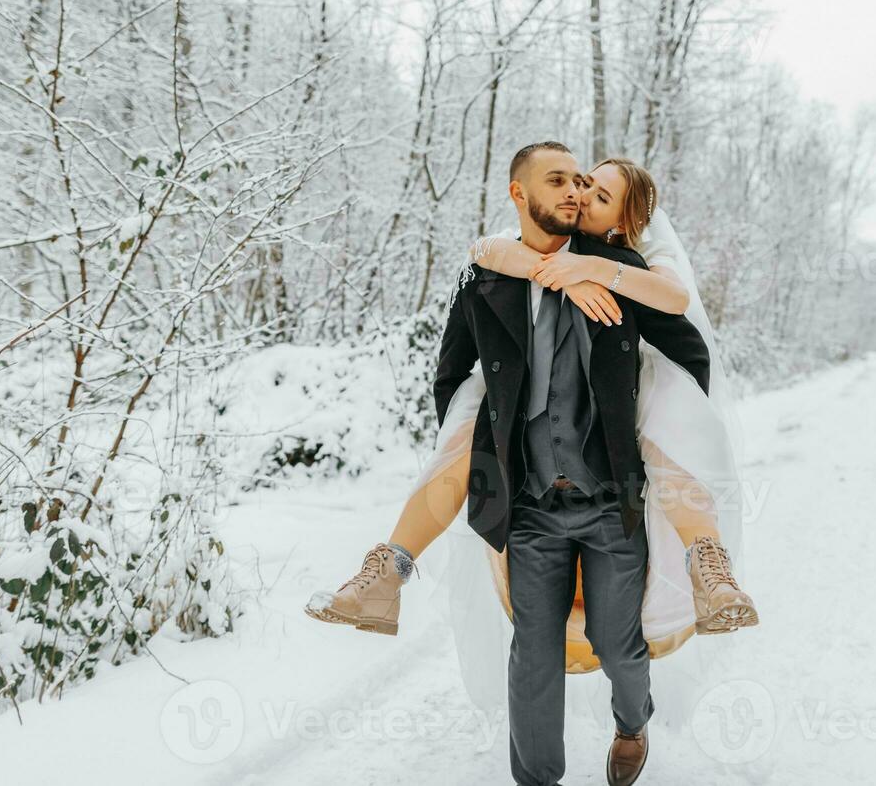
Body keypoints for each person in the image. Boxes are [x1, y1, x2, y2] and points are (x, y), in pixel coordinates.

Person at [306, 142, 756, 786]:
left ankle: (634, 721)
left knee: (618, 646)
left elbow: (689, 352)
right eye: (562, 182)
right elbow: (451, 373)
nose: (575, 193)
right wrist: (486, 449)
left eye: (586, 186)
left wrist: (639, 401)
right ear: (520, 194)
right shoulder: (486, 275)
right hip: (530, 507)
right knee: (533, 653)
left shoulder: (620, 271)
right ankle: (535, 776)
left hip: (609, 502)